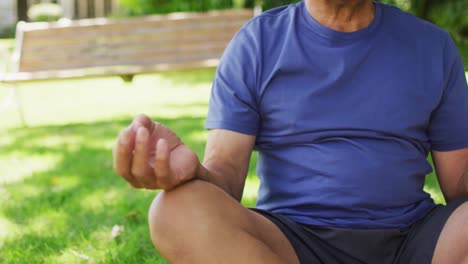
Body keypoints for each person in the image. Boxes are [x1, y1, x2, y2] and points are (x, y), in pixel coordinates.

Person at [113, 0, 468, 263]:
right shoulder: (257, 43)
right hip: (293, 244)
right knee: (174, 211)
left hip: (415, 242)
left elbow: (460, 186)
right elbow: (226, 179)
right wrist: (192, 174)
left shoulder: (432, 46)